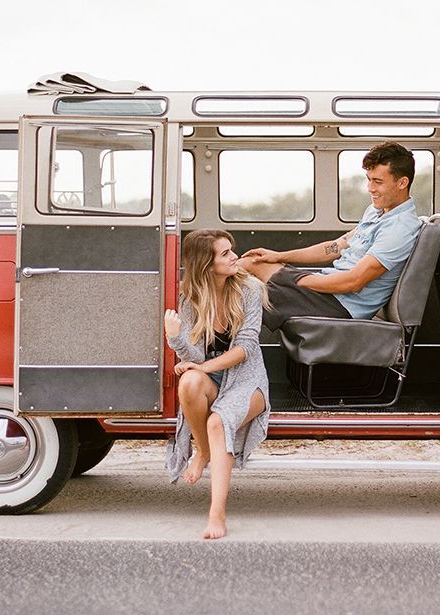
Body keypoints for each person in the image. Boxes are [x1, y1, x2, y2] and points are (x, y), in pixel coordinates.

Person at [239, 141, 422, 329]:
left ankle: (224, 351)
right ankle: (223, 348)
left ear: (402, 183)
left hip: (338, 306)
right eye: (369, 179)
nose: (370, 188)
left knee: (246, 269)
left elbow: (354, 282)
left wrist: (299, 280)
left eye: (378, 182)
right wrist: (279, 256)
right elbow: (335, 247)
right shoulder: (377, 211)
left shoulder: (399, 228)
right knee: (252, 267)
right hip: (328, 291)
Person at [164, 229, 270, 539]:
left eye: (231, 250)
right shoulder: (191, 297)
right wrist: (176, 338)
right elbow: (195, 356)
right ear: (206, 264)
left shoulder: (249, 289)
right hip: (214, 378)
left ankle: (216, 513)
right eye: (225, 253)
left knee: (218, 421)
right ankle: (205, 453)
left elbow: (246, 347)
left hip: (248, 378)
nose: (235, 256)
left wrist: (203, 366)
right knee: (189, 383)